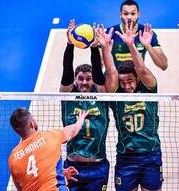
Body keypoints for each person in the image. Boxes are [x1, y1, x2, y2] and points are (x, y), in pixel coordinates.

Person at [60, 20, 118, 191]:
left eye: (88, 78)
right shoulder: (67, 96)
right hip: (73, 167)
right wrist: (70, 45)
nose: (84, 82)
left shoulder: (101, 95)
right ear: (75, 80)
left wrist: (94, 47)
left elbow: (100, 77)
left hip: (97, 167)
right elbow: (66, 73)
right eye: (81, 78)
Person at [105, 23, 163, 191]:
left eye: (129, 81)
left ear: (137, 79)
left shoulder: (149, 90)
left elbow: (142, 68)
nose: (126, 85)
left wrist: (131, 44)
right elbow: (110, 72)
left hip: (150, 154)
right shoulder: (117, 96)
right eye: (122, 82)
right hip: (126, 157)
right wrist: (105, 49)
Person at [8, 107, 88, 191]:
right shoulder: (50, 137)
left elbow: (21, 187)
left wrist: (60, 172)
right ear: (31, 123)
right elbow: (71, 131)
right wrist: (80, 121)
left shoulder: (13, 158)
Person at [93, 0, 168, 86]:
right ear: (120, 14)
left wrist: (148, 46)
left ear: (138, 14)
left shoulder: (146, 32)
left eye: (133, 14)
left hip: (137, 79)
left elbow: (163, 65)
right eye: (125, 14)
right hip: (115, 81)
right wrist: (97, 47)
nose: (129, 17)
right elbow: (100, 65)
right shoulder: (110, 32)